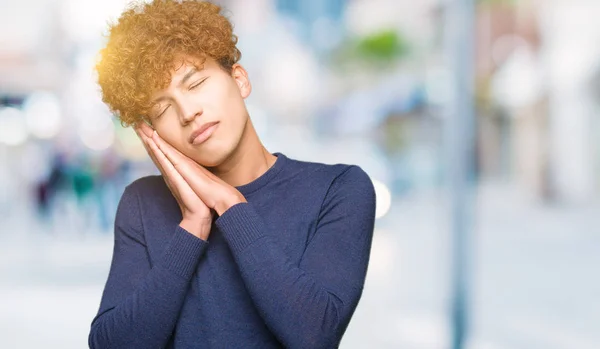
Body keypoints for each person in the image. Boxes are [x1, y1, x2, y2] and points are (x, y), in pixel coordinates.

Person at [89, 1, 376, 348]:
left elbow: (314, 334)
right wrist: (193, 224)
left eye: (195, 84)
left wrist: (229, 205)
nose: (188, 112)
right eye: (163, 108)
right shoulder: (143, 203)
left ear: (239, 80)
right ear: (153, 132)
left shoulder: (339, 189)